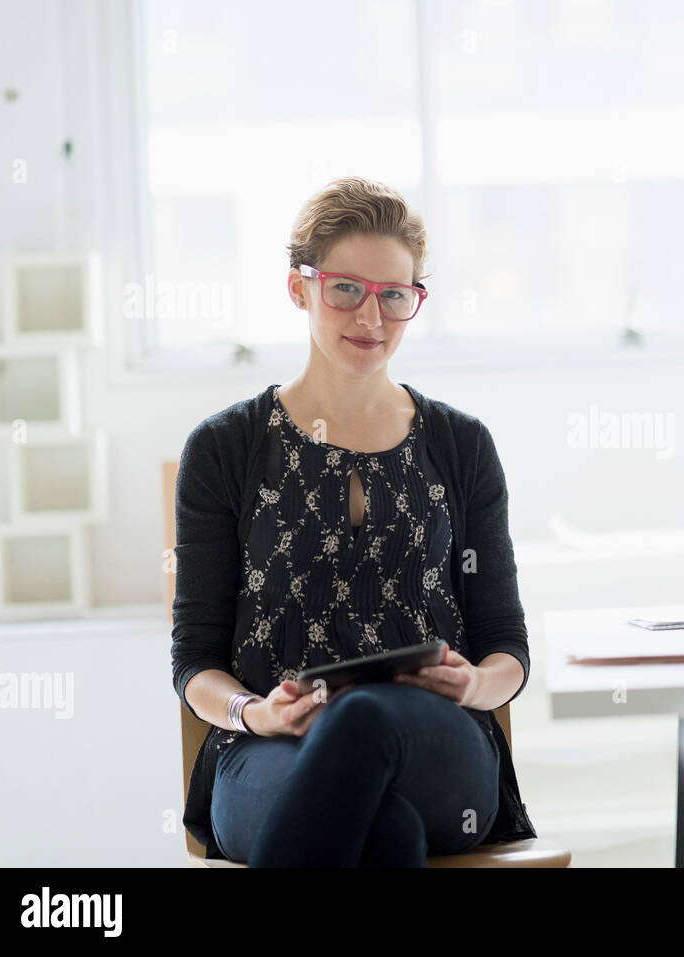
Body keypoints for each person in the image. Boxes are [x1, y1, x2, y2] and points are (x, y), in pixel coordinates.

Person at [170, 176, 536, 866]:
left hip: (437, 742)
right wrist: (257, 712)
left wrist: (474, 684)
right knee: (380, 832)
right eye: (346, 289)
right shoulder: (225, 448)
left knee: (362, 718)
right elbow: (195, 659)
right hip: (270, 749)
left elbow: (506, 646)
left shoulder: (462, 445)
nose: (370, 317)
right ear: (298, 287)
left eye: (394, 295)